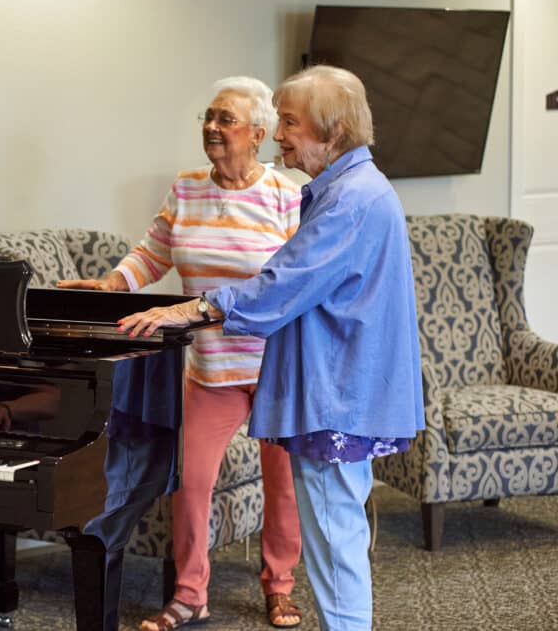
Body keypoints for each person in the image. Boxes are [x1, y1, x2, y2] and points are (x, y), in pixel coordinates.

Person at [117, 65, 425, 631]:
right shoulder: (343, 188)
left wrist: (193, 307)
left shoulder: (349, 200)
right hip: (316, 386)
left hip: (334, 392)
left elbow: (282, 282)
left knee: (334, 543)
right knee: (339, 540)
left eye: (289, 123)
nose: (280, 134)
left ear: (330, 133)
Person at [59, 76, 305, 630]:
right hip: (211, 368)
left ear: (259, 134)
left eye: (227, 120)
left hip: (274, 366)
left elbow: (294, 281)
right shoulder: (188, 187)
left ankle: (280, 586)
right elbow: (154, 250)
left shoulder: (286, 195)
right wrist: (116, 283)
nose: (213, 128)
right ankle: (191, 593)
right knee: (191, 485)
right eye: (209, 117)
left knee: (282, 484)